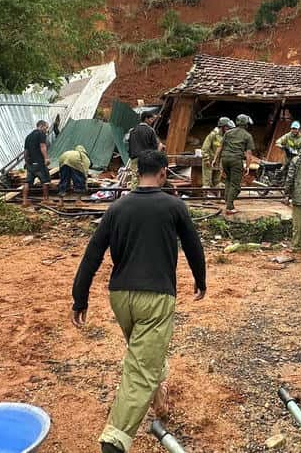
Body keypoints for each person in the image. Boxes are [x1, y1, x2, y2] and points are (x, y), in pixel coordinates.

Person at [71, 150, 206, 453]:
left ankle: (159, 402)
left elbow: (93, 254)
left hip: (120, 298)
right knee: (140, 369)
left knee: (145, 352)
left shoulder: (117, 207)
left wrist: (80, 297)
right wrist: (200, 280)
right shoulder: (173, 206)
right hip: (156, 298)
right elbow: (194, 247)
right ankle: (115, 440)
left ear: (136, 173)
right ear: (162, 173)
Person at [213, 114, 257, 215]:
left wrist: (215, 159)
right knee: (236, 185)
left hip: (225, 159)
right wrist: (247, 166)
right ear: (246, 124)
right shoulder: (247, 136)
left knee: (228, 180)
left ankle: (227, 200)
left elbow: (220, 147)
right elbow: (249, 153)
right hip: (236, 160)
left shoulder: (228, 133)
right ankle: (230, 206)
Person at [126, 111, 165, 190]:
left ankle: (134, 195)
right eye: (151, 119)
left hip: (134, 159)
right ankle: (146, 196)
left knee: (135, 179)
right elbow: (154, 147)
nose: (152, 121)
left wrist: (131, 156)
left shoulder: (132, 131)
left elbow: (129, 146)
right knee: (147, 179)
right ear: (146, 119)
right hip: (146, 159)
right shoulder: (150, 130)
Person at [22, 120, 50, 205]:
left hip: (30, 164)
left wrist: (26, 162)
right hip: (39, 163)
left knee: (28, 182)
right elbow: (42, 146)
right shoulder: (41, 134)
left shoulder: (28, 136)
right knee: (45, 181)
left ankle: (24, 201)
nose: (46, 129)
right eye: (46, 127)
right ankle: (45, 200)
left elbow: (26, 151)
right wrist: (46, 158)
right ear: (41, 126)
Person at [201, 117, 231, 193]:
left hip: (219, 162)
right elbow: (204, 148)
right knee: (207, 180)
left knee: (217, 181)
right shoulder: (212, 135)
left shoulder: (225, 137)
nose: (228, 128)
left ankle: (216, 197)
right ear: (222, 126)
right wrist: (206, 159)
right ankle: (206, 199)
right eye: (227, 126)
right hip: (209, 161)